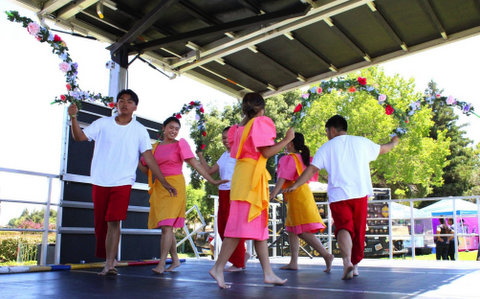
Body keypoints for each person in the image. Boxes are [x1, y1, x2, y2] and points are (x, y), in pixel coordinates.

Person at [67, 89, 177, 276]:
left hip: (123, 182)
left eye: (129, 101)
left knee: (114, 221)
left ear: (135, 106)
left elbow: (149, 158)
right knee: (101, 225)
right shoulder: (102, 123)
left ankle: (110, 264)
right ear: (116, 104)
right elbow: (79, 137)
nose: (124, 104)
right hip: (100, 180)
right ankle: (109, 260)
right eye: (121, 100)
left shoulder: (140, 130)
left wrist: (164, 182)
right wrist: (74, 117)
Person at [284, 115, 399, 280]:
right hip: (360, 193)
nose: (326, 135)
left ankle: (347, 262)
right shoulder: (362, 142)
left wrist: (296, 184)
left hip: (339, 195)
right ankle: (355, 266)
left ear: (331, 130)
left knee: (343, 228)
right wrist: (394, 142)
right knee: (358, 232)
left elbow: (311, 169)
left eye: (326, 131)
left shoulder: (326, 147)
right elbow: (383, 149)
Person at [209, 92, 294, 289]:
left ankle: (268, 273)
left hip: (244, 177)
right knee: (239, 228)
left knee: (258, 229)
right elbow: (266, 151)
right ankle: (218, 267)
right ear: (262, 108)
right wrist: (286, 140)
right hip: (250, 179)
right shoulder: (260, 123)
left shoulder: (239, 128)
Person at [138, 116, 227, 274]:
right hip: (159, 187)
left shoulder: (181, 144)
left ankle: (162, 263)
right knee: (166, 227)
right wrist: (136, 158)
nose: (173, 131)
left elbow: (195, 164)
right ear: (164, 128)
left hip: (174, 187)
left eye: (176, 129)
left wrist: (212, 181)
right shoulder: (154, 147)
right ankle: (176, 260)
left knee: (166, 226)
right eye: (170, 127)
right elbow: (147, 170)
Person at [270, 132, 333, 272]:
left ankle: (326, 255)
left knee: (300, 231)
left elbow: (282, 178)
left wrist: (273, 192)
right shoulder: (301, 158)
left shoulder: (288, 159)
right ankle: (293, 262)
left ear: (291, 143)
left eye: (286, 142)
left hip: (297, 196)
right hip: (301, 195)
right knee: (292, 229)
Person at [197, 127, 250, 272]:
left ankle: (239, 263)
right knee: (222, 228)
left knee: (232, 229)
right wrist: (201, 156)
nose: (225, 141)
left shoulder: (240, 153)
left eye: (227, 137)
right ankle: (243, 255)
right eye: (223, 138)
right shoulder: (225, 155)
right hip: (223, 193)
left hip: (235, 193)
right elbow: (209, 171)